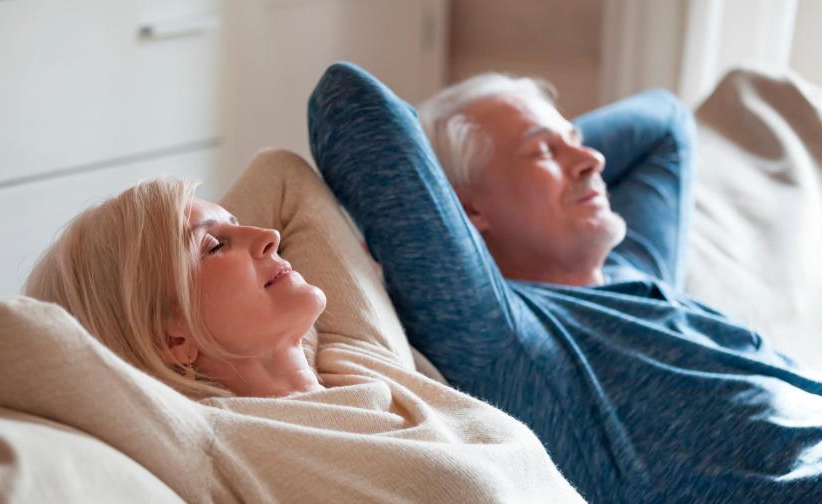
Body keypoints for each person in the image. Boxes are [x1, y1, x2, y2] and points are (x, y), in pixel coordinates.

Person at [307, 61, 822, 504]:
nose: (593, 159)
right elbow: (348, 102)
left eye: (578, 139)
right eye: (543, 153)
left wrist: (549, 145)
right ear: (465, 210)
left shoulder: (635, 267)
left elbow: (664, 123)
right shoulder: (506, 337)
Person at [23, 150, 587, 502]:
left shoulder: (356, 357)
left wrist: (183, 234)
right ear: (172, 337)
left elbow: (282, 175)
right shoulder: (212, 442)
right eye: (216, 245)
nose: (266, 235)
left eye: (239, 225)